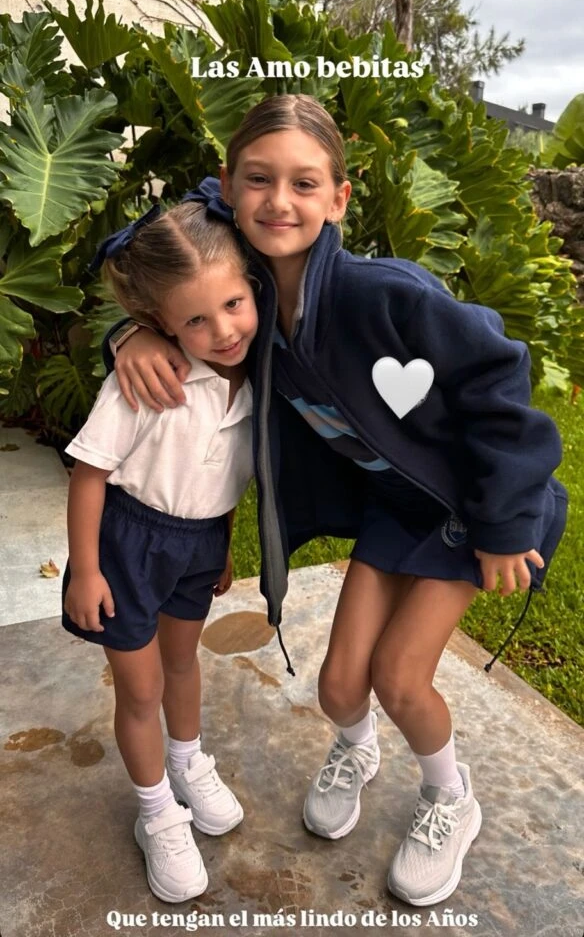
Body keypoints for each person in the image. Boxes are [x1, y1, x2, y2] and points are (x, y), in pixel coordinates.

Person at [103, 94, 568, 907]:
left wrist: (505, 523)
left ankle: (451, 798)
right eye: (258, 180)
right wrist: (137, 328)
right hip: (398, 511)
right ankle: (356, 749)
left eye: (304, 184)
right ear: (227, 186)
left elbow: (502, 378)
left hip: (469, 511)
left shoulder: (385, 293)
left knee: (398, 676)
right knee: (339, 689)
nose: (279, 201)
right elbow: (144, 249)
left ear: (339, 199)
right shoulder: (239, 299)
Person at [63, 200, 258, 902]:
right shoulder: (148, 379)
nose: (223, 330)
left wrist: (225, 542)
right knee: (141, 687)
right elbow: (90, 475)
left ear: (251, 287)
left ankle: (186, 761)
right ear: (161, 324)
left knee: (182, 664)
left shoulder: (257, 378)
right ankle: (156, 813)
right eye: (196, 320)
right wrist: (85, 569)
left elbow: (226, 473)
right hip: (129, 543)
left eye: (233, 303)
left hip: (200, 544)